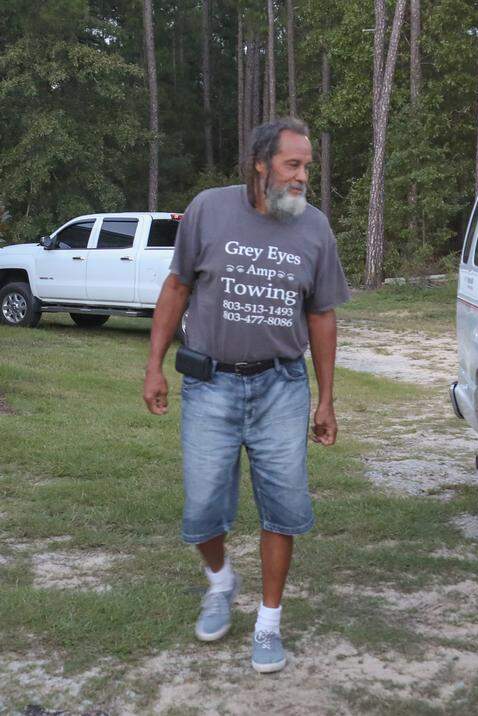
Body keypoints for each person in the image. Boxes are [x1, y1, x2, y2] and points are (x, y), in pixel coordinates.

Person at [142, 117, 350, 674]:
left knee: (282, 507)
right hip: (209, 384)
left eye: (308, 166)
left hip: (281, 386)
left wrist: (325, 398)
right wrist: (154, 366)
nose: (304, 176)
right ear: (261, 164)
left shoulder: (316, 230)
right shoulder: (210, 209)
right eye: (293, 165)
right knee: (203, 505)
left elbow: (323, 315)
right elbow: (177, 287)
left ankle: (268, 623)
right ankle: (219, 582)